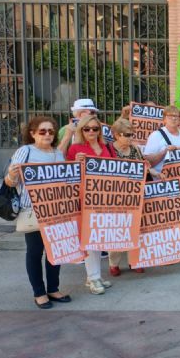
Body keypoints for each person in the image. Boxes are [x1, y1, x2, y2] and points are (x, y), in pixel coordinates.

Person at [5, 117, 71, 308]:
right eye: (42, 131)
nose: (47, 135)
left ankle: (53, 289)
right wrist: (12, 174)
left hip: (56, 211)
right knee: (35, 252)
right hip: (33, 211)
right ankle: (39, 293)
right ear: (32, 133)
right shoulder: (25, 151)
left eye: (51, 131)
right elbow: (9, 183)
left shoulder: (58, 154)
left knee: (55, 251)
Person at [66, 114, 115, 294]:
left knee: (99, 237)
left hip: (105, 199)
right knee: (89, 239)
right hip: (85, 199)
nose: (91, 132)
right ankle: (93, 278)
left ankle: (94, 276)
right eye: (87, 129)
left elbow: (115, 169)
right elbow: (68, 175)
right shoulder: (75, 148)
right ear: (81, 130)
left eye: (95, 128)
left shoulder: (105, 147)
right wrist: (76, 163)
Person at [107, 118, 161, 276]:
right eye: (128, 134)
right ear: (117, 135)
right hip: (116, 197)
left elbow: (145, 166)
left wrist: (156, 173)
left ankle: (134, 260)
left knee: (136, 229)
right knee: (118, 229)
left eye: (132, 134)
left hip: (136, 196)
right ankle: (114, 263)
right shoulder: (109, 150)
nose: (131, 137)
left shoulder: (135, 149)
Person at [144, 105, 180, 174]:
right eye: (170, 116)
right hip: (160, 179)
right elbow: (147, 159)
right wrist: (164, 152)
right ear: (164, 119)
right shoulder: (156, 135)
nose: (173, 118)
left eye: (176, 116)